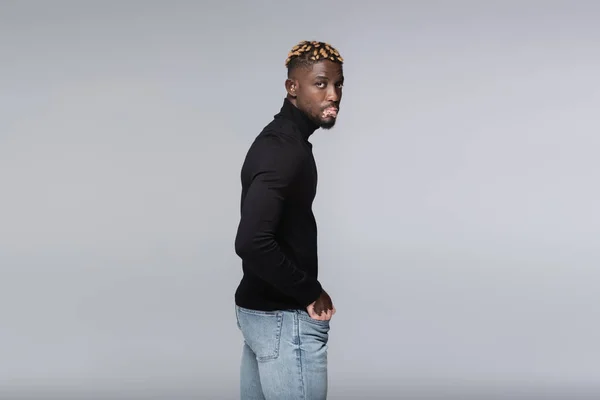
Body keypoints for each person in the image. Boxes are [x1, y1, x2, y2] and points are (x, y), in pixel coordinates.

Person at [233, 40, 345, 399]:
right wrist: (309, 291)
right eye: (320, 83)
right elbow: (251, 241)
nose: (333, 95)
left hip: (262, 313)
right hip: (283, 320)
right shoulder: (283, 151)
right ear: (292, 88)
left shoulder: (283, 142)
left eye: (338, 84)